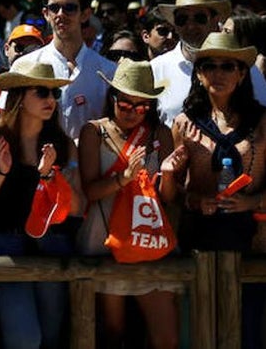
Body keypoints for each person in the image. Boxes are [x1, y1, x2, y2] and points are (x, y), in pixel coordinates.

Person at [159, 32, 266, 347]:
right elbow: (172, 195)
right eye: (209, 66)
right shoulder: (183, 124)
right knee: (200, 331)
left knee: (246, 329)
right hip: (200, 243)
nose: (218, 74)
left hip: (253, 244)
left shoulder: (264, 122)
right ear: (198, 73)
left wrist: (251, 202)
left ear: (242, 73)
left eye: (227, 66)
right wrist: (194, 199)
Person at [0, 61, 79, 349]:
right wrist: (1, 172)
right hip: (3, 245)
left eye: (55, 94)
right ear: (18, 96)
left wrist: (50, 176)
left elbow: (79, 207)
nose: (50, 100)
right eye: (41, 92)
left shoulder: (64, 144)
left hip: (53, 245)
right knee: (24, 338)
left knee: (53, 337)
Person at [76, 60, 176, 349]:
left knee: (165, 338)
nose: (134, 112)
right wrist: (124, 178)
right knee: (113, 334)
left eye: (142, 106)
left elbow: (169, 199)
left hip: (150, 242)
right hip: (104, 241)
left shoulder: (161, 134)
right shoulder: (93, 132)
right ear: (113, 98)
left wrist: (169, 175)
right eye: (126, 105)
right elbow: (91, 191)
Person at [16, 0, 116, 141]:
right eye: (54, 8)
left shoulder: (109, 71)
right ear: (46, 14)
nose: (61, 14)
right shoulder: (24, 66)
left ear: (85, 14)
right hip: (40, 165)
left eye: (69, 8)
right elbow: (9, 121)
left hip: (94, 165)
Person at [154, 0, 266, 126]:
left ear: (216, 20)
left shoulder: (242, 66)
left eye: (199, 18)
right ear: (175, 25)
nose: (190, 26)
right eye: (182, 19)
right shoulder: (156, 68)